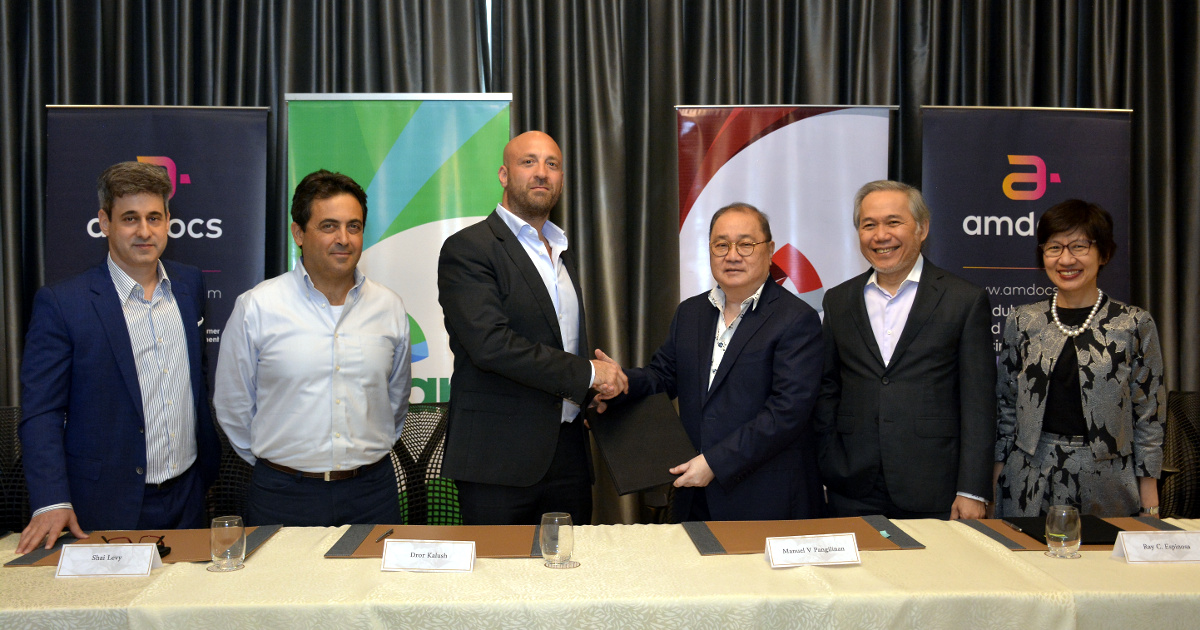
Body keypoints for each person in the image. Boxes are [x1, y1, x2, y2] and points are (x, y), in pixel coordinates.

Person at [17, 161, 220, 553]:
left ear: (167, 222)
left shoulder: (188, 284)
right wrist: (52, 499)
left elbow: (198, 378)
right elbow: (41, 410)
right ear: (105, 222)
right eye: (130, 218)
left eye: (154, 217)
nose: (144, 231)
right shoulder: (63, 303)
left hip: (189, 495)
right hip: (107, 503)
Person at [437, 130, 627, 526]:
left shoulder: (561, 251)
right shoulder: (469, 249)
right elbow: (491, 345)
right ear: (504, 175)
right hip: (497, 464)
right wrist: (589, 374)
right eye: (529, 162)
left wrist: (595, 393)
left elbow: (562, 343)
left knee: (568, 580)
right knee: (498, 583)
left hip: (569, 456)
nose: (541, 173)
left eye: (552, 164)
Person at [213, 170, 411, 527]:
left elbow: (394, 402)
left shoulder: (389, 307)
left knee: (374, 585)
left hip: (371, 494)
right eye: (329, 226)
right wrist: (281, 464)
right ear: (298, 233)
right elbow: (233, 406)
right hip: (283, 496)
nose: (344, 239)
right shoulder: (257, 307)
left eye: (354, 226)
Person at [603, 203, 825, 521]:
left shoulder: (796, 320)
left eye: (746, 244)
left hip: (764, 498)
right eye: (721, 244)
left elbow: (786, 413)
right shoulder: (690, 313)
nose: (732, 255)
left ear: (770, 249)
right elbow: (663, 376)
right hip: (694, 496)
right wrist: (619, 383)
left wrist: (715, 463)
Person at [815, 180, 995, 520]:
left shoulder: (964, 300)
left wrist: (971, 489)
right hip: (851, 485)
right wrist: (828, 461)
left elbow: (978, 403)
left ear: (922, 228)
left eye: (893, 222)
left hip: (934, 487)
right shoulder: (839, 300)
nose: (880, 235)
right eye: (869, 225)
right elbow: (827, 387)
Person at [994, 199, 1164, 517]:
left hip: (1109, 480)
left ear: (1104, 254)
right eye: (1054, 247)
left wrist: (1149, 495)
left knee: (1103, 566)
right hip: (1029, 476)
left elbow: (1149, 417)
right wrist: (995, 482)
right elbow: (1006, 408)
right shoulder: (1023, 320)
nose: (1066, 259)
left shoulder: (1134, 323)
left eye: (1079, 246)